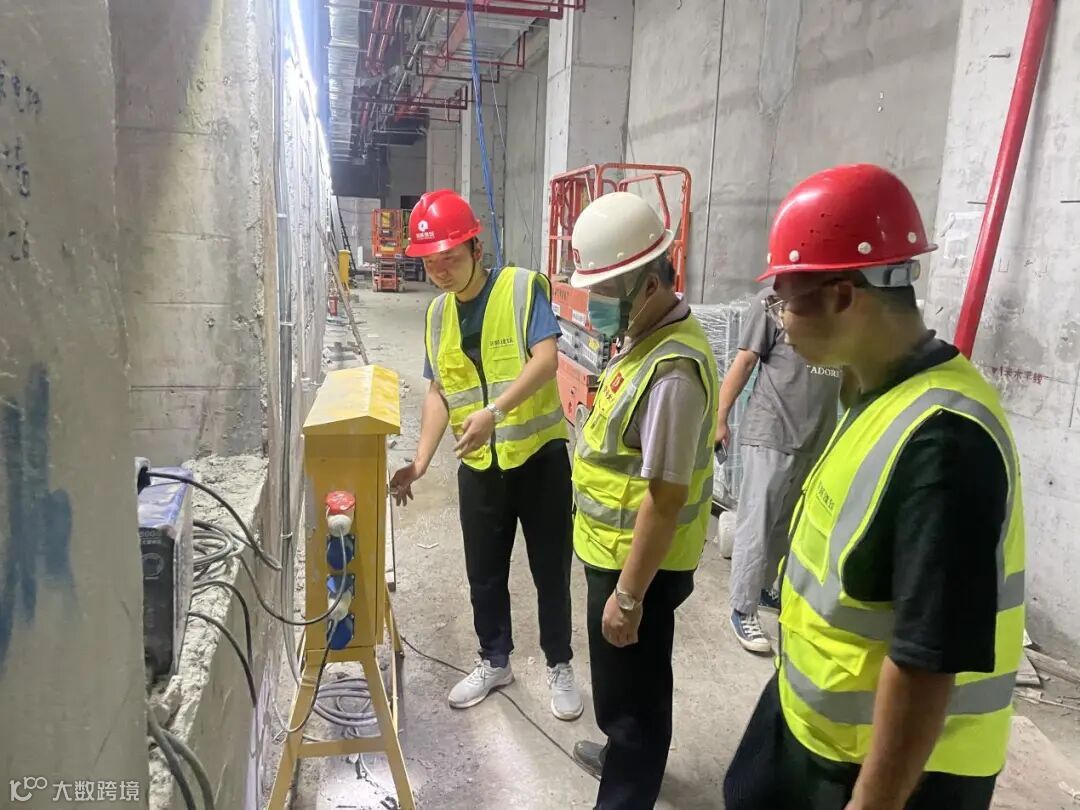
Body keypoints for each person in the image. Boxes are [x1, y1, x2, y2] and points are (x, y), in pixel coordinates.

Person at [723, 164, 1025, 810]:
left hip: (892, 774)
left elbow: (926, 660)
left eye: (784, 301)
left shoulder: (944, 441)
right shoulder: (872, 389)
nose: (780, 321)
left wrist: (872, 802)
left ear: (842, 296)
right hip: (820, 731)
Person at [389, 189, 583, 721]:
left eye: (449, 258)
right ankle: (495, 660)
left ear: (476, 248)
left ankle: (559, 663)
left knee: (550, 571)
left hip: (538, 459)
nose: (440, 272)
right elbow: (438, 391)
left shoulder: (521, 289)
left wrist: (494, 412)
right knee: (484, 573)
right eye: (430, 263)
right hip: (478, 467)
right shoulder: (436, 315)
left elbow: (546, 360)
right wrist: (420, 462)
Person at [566, 192, 719, 809]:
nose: (596, 305)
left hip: (640, 564)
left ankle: (626, 791)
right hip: (612, 548)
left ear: (651, 285)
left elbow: (665, 496)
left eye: (607, 293)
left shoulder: (673, 372)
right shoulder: (645, 336)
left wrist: (629, 597)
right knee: (620, 683)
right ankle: (620, 752)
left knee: (636, 696)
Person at [717, 286, 842, 654]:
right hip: (771, 430)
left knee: (785, 526)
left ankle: (763, 589)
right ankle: (742, 608)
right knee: (757, 523)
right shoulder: (774, 300)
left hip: (815, 437)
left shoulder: (840, 301)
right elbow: (744, 362)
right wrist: (720, 418)